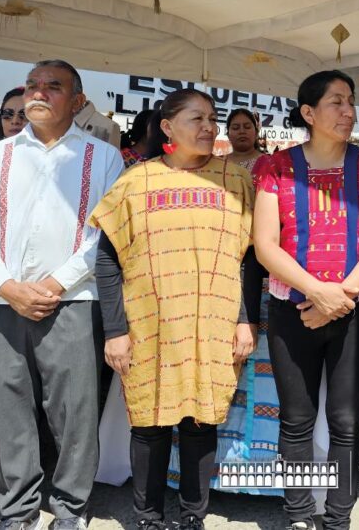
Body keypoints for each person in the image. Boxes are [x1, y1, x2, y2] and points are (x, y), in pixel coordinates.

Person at [0, 59, 123, 530]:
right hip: (2, 302)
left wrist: (54, 284)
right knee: (8, 409)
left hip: (72, 301)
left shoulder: (103, 157)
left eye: (53, 86)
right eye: (32, 85)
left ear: (77, 100)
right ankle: (18, 510)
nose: (38, 93)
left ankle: (71, 509)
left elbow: (105, 233)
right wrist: (9, 287)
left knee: (73, 412)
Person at [90, 88, 254, 530]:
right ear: (166, 127)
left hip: (214, 322)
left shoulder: (236, 180)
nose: (209, 127)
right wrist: (115, 330)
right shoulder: (135, 182)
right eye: (196, 118)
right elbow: (107, 260)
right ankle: (148, 516)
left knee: (201, 420)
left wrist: (244, 320)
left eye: (212, 118)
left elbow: (245, 259)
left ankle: (193, 515)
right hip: (149, 323)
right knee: (149, 423)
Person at [254, 70, 359, 530]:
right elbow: (265, 245)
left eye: (350, 101)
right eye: (336, 102)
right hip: (292, 308)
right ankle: (299, 515)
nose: (348, 111)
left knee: (345, 421)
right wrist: (317, 292)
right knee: (296, 419)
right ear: (309, 113)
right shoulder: (275, 168)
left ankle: (338, 519)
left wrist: (341, 295)